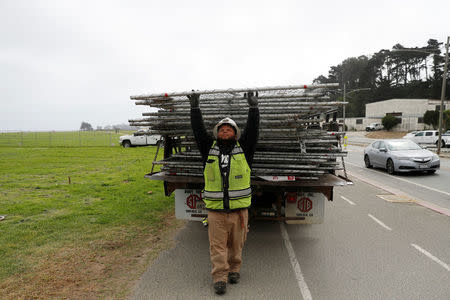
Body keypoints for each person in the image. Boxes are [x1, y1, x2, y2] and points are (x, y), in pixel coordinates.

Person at [189, 91, 259, 295]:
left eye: (229, 129)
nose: (225, 131)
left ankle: (235, 269)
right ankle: (220, 277)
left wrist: (254, 108)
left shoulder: (244, 150)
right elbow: (198, 131)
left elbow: (253, 131)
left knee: (237, 245)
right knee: (217, 247)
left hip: (239, 211)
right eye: (222, 129)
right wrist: (195, 108)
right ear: (217, 134)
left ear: (235, 134)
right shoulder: (208, 150)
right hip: (216, 211)